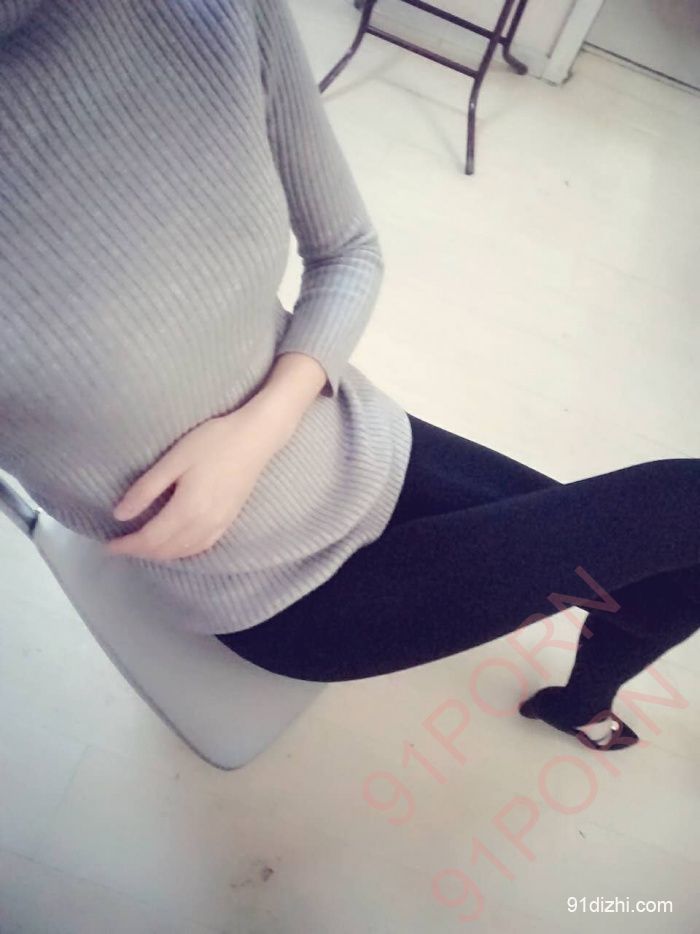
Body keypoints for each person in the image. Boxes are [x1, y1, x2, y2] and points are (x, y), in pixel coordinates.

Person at [2, 0, 698, 753]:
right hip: (284, 595)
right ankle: (586, 704)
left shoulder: (213, 14)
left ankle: (582, 702)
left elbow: (347, 251)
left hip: (368, 446)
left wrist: (258, 429)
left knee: (676, 568)